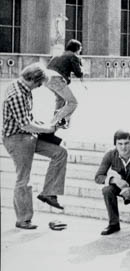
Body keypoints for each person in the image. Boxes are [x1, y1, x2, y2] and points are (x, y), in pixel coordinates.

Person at [2, 63, 67, 229]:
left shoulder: (23, 88)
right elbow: (25, 125)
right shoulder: (17, 94)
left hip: (27, 136)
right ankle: (23, 219)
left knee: (60, 153)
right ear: (32, 79)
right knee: (23, 178)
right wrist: (48, 128)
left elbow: (28, 119)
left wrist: (51, 125)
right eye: (39, 84)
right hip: (17, 138)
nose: (39, 87)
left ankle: (49, 193)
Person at [46, 38, 84, 128]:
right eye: (80, 49)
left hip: (46, 79)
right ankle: (55, 122)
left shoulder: (59, 54)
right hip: (56, 80)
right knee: (73, 102)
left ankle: (58, 121)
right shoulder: (73, 56)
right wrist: (82, 67)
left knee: (61, 99)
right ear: (77, 48)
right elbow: (79, 74)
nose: (80, 51)